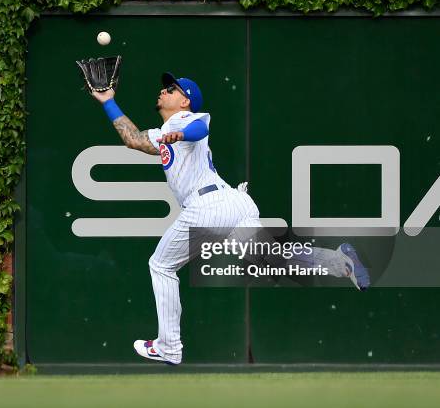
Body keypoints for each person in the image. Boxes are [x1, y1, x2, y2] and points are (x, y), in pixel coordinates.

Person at [90, 73, 370, 365]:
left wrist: (181, 134)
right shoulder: (165, 132)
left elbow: (198, 128)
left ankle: (169, 346)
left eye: (171, 88)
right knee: (276, 261)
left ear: (185, 100)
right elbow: (133, 140)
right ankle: (340, 261)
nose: (163, 90)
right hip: (233, 203)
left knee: (161, 265)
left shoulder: (184, 121)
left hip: (207, 205)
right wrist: (109, 102)